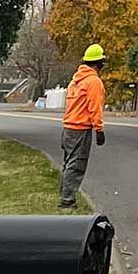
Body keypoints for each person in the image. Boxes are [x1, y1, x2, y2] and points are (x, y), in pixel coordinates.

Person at [59, 44, 107, 209]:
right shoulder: (93, 82)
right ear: (97, 62)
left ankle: (65, 195)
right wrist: (99, 130)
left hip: (68, 128)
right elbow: (95, 108)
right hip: (80, 129)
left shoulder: (75, 80)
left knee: (68, 163)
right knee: (76, 164)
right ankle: (67, 200)